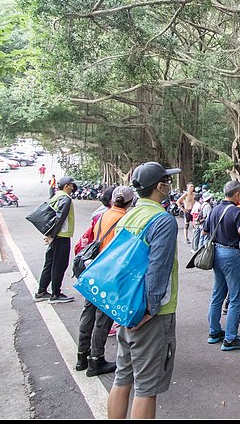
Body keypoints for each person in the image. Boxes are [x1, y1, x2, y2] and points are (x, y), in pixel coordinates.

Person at [107, 162, 180, 419]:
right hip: (149, 315)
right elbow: (157, 271)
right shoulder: (162, 220)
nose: (170, 186)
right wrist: (149, 310)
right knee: (146, 388)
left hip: (125, 306)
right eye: (167, 182)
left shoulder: (127, 215)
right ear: (160, 187)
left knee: (122, 377)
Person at [76, 185, 134, 377]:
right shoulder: (124, 219)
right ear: (130, 201)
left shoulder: (103, 215)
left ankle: (81, 356)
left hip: (95, 268)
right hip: (110, 272)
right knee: (103, 317)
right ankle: (96, 360)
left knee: (88, 312)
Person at [200, 180, 240, 351]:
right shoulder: (237, 212)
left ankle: (214, 332)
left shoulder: (214, 209)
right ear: (238, 194)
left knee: (217, 294)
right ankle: (230, 338)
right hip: (232, 254)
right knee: (236, 297)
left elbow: (205, 231)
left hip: (216, 253)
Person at [34, 176, 77, 303]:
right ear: (66, 186)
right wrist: (52, 235)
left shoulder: (55, 197)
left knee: (50, 263)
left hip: (55, 235)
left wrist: (50, 235)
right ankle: (55, 294)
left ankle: (41, 291)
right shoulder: (65, 199)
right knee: (59, 265)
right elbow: (60, 218)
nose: (73, 187)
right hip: (61, 236)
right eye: (71, 185)